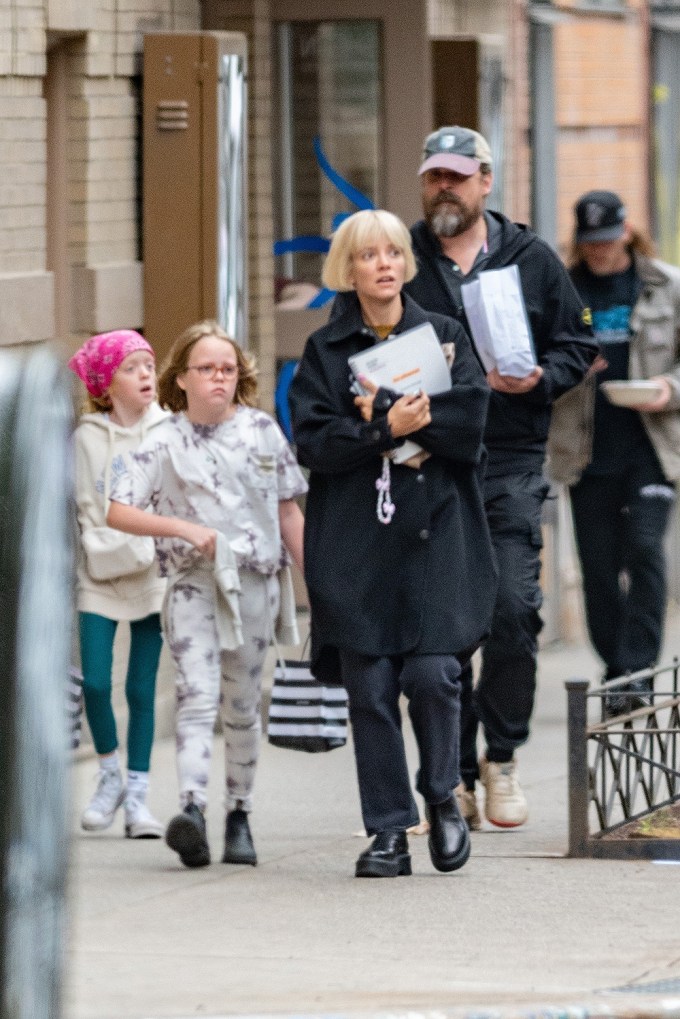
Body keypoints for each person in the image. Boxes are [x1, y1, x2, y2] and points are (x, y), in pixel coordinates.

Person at [288, 209, 497, 878]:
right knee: (371, 686)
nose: (383, 263)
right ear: (346, 270)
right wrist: (388, 428)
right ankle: (386, 830)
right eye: (367, 254)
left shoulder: (444, 334)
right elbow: (316, 444)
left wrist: (389, 414)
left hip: (436, 537)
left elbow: (468, 427)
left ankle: (443, 795)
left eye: (393, 252)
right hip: (356, 544)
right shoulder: (325, 352)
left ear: (406, 262)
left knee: (434, 674)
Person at [403, 126, 598, 830]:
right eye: (434, 177)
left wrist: (543, 376)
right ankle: (450, 775)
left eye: (458, 176)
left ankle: (502, 755)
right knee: (442, 625)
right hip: (431, 462)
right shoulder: (403, 260)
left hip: (513, 459)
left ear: (486, 180)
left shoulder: (532, 258)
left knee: (513, 611)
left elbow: (579, 342)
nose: (445, 189)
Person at [106, 320, 306, 869]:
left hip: (257, 584)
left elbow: (289, 509)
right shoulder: (161, 441)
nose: (218, 378)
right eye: (206, 369)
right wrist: (183, 530)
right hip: (195, 585)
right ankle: (191, 810)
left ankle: (239, 813)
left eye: (227, 369)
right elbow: (118, 508)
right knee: (197, 696)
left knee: (241, 707)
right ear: (183, 379)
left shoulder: (263, 431)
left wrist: (322, 587)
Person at [548, 190, 680, 714]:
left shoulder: (665, 286)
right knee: (598, 569)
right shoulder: (564, 291)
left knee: (646, 553)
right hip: (586, 451)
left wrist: (670, 388)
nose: (600, 251)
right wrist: (569, 367)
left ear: (626, 231)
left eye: (607, 239)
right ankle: (617, 668)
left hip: (651, 446)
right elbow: (542, 361)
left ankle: (639, 673)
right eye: (590, 242)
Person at [69, 329, 168, 839]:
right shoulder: (85, 437)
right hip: (97, 576)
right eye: (132, 367)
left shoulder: (169, 430)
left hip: (153, 577)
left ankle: (138, 799)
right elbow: (86, 511)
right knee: (95, 681)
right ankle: (108, 776)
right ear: (106, 384)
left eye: (148, 365)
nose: (146, 375)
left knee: (142, 688)